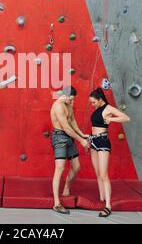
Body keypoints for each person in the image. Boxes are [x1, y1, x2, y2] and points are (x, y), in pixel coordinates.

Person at [88, 87, 131, 218]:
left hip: (102, 142)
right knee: (97, 173)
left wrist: (111, 119)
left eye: (93, 102)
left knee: (103, 174)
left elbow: (126, 118)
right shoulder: (97, 108)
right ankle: (101, 198)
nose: (92, 104)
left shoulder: (108, 108)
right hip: (93, 141)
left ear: (100, 100)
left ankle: (108, 206)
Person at [50, 86, 90, 214]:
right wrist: (82, 141)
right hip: (60, 137)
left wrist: (82, 134)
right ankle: (56, 203)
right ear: (65, 95)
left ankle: (66, 189)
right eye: (71, 99)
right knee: (60, 168)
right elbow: (66, 128)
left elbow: (72, 120)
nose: (72, 102)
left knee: (76, 167)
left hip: (70, 137)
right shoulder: (58, 106)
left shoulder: (68, 103)